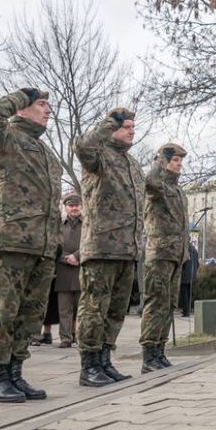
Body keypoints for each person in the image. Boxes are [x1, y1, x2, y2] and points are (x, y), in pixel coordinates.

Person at [0, 87, 61, 403]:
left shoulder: (46, 152)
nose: (48, 109)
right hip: (12, 239)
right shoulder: (6, 137)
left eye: (48, 105)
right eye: (41, 104)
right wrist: (20, 95)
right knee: (3, 310)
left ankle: (15, 372)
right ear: (23, 108)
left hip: (42, 245)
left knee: (30, 314)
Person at [74, 107, 145, 386]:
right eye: (125, 126)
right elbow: (82, 146)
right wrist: (108, 123)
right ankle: (89, 365)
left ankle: (104, 360)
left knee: (116, 311)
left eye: (132, 126)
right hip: (101, 246)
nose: (131, 130)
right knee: (94, 308)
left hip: (127, 250)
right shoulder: (98, 155)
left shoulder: (132, 163)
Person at [139, 143, 189, 372]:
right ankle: (149, 354)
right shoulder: (157, 186)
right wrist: (159, 160)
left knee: (169, 304)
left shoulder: (178, 191)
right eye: (175, 160)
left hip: (175, 254)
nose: (179, 165)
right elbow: (149, 181)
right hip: (159, 252)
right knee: (156, 303)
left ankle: (160, 350)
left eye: (180, 161)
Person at [53, 192, 83, 348]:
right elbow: (54, 246)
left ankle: (80, 337)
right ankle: (65, 338)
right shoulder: (59, 226)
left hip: (81, 270)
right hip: (64, 270)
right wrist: (66, 258)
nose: (74, 208)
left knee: (82, 308)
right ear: (65, 207)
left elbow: (90, 243)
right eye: (71, 206)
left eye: (77, 205)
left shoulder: (87, 224)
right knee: (64, 308)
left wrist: (77, 256)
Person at [178, 240, 198, 317]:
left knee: (184, 294)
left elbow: (182, 262)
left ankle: (186, 311)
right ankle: (187, 310)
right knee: (188, 293)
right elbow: (197, 263)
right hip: (192, 275)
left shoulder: (184, 250)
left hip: (185, 275)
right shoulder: (194, 250)